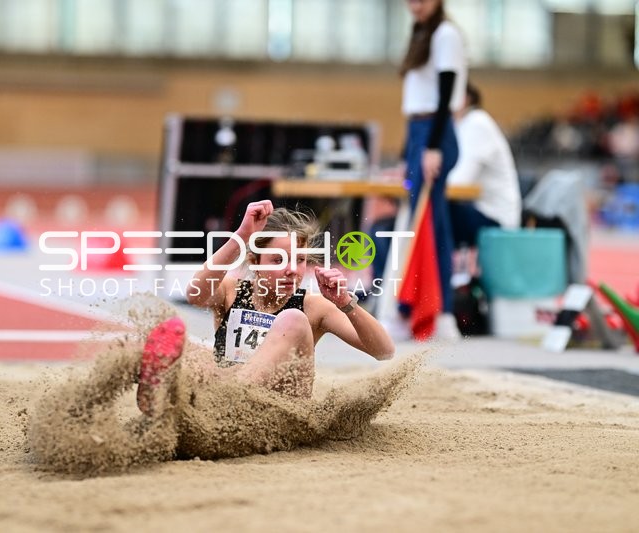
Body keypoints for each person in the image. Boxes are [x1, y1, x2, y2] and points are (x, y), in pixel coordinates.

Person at [136, 200, 395, 415]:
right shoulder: (231, 290)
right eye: (278, 260)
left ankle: (224, 400)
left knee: (292, 319)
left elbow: (385, 351)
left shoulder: (314, 307)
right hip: (226, 402)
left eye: (300, 260)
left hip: (279, 414)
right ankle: (160, 399)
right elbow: (194, 295)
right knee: (185, 346)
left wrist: (346, 304)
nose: (292, 269)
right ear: (254, 260)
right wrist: (242, 236)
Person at [398, 0, 467, 340]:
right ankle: (431, 309)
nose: (414, 5)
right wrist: (405, 152)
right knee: (428, 223)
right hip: (418, 132)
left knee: (430, 225)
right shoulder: (421, 33)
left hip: (434, 133)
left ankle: (438, 311)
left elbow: (444, 95)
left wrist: (434, 146)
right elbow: (415, 99)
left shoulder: (446, 33)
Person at [447, 83, 521, 248]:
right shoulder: (460, 126)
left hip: (496, 219)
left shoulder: (477, 124)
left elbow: (460, 182)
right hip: (478, 210)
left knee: (437, 214)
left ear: (464, 98)